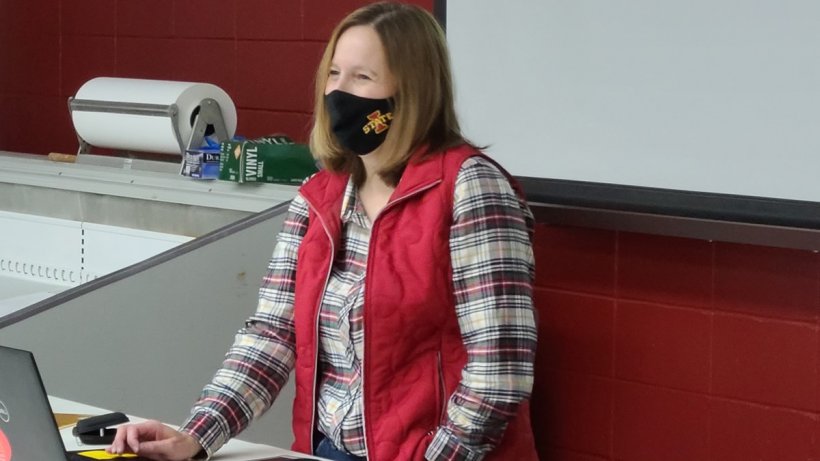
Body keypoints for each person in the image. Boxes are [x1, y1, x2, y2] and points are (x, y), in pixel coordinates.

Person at [108, 2, 538, 460]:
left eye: (362, 78)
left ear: (412, 90)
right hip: (325, 451)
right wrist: (197, 435)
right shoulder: (318, 196)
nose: (339, 92)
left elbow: (499, 375)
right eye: (334, 73)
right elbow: (272, 335)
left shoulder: (470, 187)